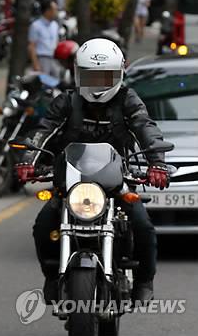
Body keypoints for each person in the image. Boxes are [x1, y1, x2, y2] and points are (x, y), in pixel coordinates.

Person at [15, 38, 169, 304]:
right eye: (91, 76)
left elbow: (146, 128)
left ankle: (144, 280)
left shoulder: (127, 100)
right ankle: (52, 276)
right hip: (72, 181)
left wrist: (157, 162)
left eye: (105, 77)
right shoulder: (67, 101)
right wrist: (29, 159)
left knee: (143, 226)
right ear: (78, 74)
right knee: (43, 226)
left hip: (117, 180)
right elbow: (43, 129)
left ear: (119, 74)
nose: (98, 83)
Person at [28, 0, 60, 78]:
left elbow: (56, 42)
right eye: (54, 9)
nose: (56, 12)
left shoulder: (55, 25)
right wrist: (36, 64)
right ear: (47, 11)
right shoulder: (36, 25)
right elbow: (31, 46)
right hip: (42, 58)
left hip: (54, 58)